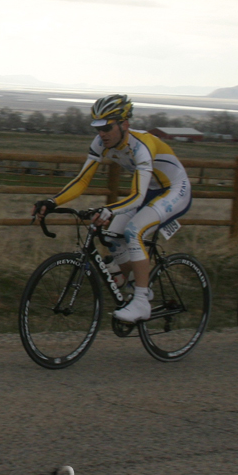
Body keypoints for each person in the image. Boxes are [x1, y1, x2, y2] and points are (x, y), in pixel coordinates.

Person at [31, 94, 192, 323]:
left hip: (175, 190)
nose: (101, 133)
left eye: (106, 127)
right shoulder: (100, 143)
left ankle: (141, 302)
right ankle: (139, 281)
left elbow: (137, 196)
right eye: (97, 127)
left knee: (133, 231)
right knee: (110, 235)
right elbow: (82, 181)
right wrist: (52, 201)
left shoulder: (142, 147)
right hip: (150, 191)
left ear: (124, 124)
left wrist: (108, 210)